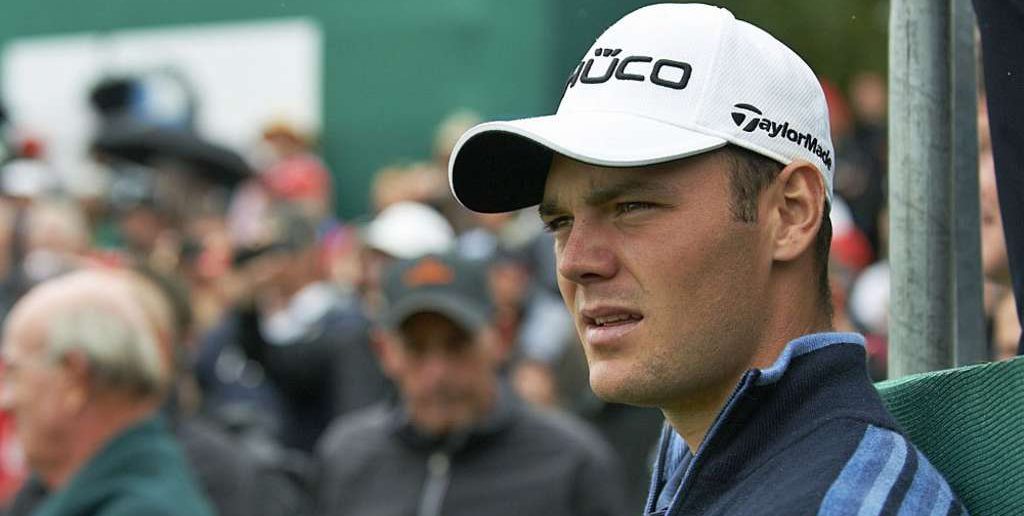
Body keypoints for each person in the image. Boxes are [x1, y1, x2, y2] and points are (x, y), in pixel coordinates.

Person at [447, 4, 965, 515]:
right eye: (559, 222)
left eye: (632, 206)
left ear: (791, 213)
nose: (574, 262)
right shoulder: (720, 462)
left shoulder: (835, 501)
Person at [316, 253, 627, 516]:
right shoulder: (348, 458)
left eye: (458, 344)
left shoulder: (569, 462)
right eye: (415, 348)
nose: (437, 374)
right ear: (383, 351)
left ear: (502, 336)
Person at [0, 270, 213, 516]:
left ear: (74, 379)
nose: (5, 401)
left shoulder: (142, 508)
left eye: (14, 373)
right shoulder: (75, 491)